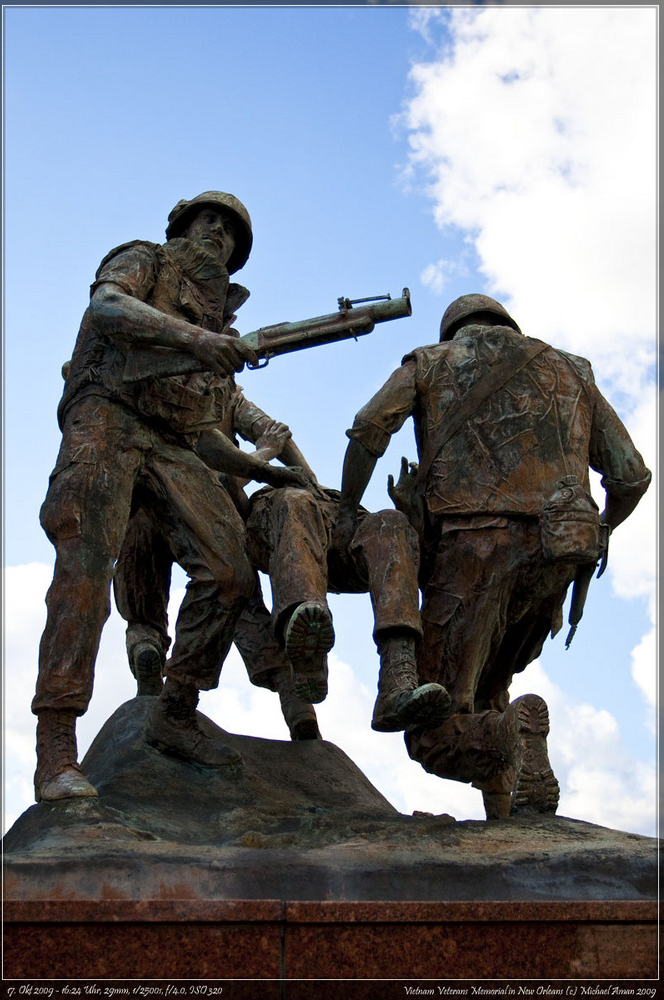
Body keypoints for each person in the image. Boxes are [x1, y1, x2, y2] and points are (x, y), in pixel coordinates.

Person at [333, 293, 651, 818]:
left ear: (452, 330)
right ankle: (510, 812)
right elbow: (631, 477)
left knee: (431, 730)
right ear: (507, 324)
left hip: (474, 549)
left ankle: (512, 737)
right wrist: (602, 530)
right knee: (486, 689)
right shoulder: (571, 370)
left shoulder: (430, 362)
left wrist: (347, 511)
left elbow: (369, 429)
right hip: (563, 554)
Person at [33, 191, 304, 802]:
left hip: (174, 442)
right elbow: (106, 305)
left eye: (232, 233)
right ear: (182, 225)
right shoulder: (145, 259)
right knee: (84, 568)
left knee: (231, 572)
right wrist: (194, 339)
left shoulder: (220, 322)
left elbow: (207, 433)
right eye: (209, 222)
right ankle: (56, 746)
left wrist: (266, 468)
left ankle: (176, 710)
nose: (219, 235)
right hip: (106, 414)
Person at [114, 400, 322, 741]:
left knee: (148, 584)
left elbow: (272, 436)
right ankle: (294, 700)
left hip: (155, 507)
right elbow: (272, 437)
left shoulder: (217, 395)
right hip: (207, 505)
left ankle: (145, 646)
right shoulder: (222, 398)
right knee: (242, 602)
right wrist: (291, 469)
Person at [246, 484, 452, 735]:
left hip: (331, 514)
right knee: (295, 502)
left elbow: (304, 472)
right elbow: (227, 481)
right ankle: (308, 651)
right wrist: (268, 456)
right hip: (277, 520)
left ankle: (397, 680)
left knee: (392, 522)